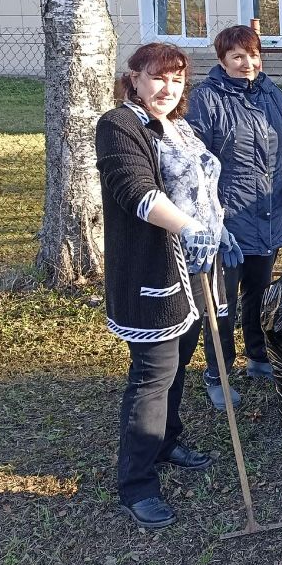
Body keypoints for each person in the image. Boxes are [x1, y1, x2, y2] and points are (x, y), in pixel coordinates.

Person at [95, 42, 241, 529]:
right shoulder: (119, 126)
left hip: (196, 268)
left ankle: (166, 441)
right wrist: (191, 227)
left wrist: (219, 228)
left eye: (177, 79)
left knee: (180, 361)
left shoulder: (180, 129)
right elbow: (138, 194)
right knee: (153, 374)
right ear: (134, 77)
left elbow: (205, 188)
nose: (167, 88)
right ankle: (136, 483)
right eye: (158, 77)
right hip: (151, 271)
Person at [187, 24, 282, 410]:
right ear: (222, 60)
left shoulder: (273, 94)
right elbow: (195, 162)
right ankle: (217, 373)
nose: (247, 63)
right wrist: (209, 214)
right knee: (223, 302)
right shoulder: (206, 100)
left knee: (259, 290)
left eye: (253, 55)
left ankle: (257, 356)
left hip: (268, 214)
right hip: (227, 222)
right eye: (237, 56)